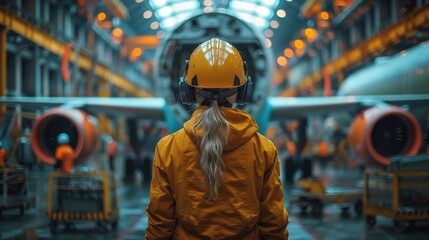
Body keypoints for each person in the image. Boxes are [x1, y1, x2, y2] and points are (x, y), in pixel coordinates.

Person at [145, 38, 289, 239]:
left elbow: (160, 223)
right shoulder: (264, 149)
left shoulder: (168, 148)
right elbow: (274, 222)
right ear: (243, 89)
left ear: (187, 90)